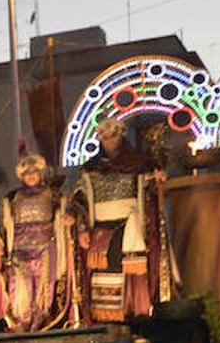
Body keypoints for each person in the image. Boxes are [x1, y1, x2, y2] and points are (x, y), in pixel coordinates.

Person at [70, 119, 169, 323]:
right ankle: (106, 321)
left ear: (121, 135)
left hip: (131, 226)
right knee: (103, 272)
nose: (109, 141)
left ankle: (135, 315)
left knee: (133, 270)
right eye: (104, 137)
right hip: (101, 230)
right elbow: (79, 199)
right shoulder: (91, 168)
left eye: (113, 136)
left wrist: (157, 179)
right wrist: (81, 229)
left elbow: (149, 189)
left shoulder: (139, 164)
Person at [0, 154, 77, 331]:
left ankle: (40, 325)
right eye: (27, 172)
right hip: (19, 253)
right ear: (21, 176)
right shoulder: (12, 199)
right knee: (20, 291)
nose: (31, 175)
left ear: (41, 173)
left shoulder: (54, 197)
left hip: (45, 251)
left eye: (35, 171)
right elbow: (2, 225)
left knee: (43, 290)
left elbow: (69, 213)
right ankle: (22, 325)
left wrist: (70, 219)